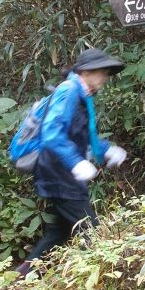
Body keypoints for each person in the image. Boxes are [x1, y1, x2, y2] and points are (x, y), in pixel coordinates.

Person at [15, 48, 128, 277]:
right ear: (85, 72)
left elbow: (83, 136)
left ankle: (24, 275)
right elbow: (51, 133)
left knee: (61, 230)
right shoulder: (69, 92)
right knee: (90, 229)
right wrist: (76, 162)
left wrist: (107, 150)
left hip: (61, 171)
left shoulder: (81, 94)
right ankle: (100, 280)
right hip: (57, 171)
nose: (105, 78)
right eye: (102, 72)